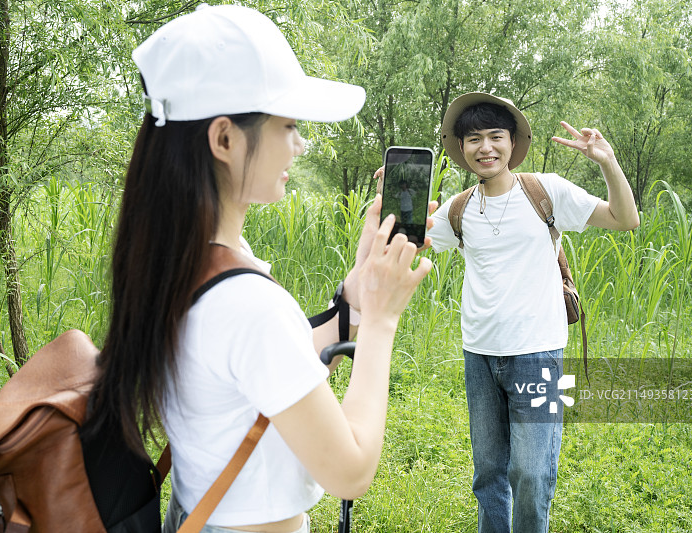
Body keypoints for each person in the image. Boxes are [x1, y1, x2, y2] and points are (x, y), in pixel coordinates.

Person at [82, 5, 434, 533]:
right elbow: (351, 469)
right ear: (224, 139)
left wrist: (354, 301)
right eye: (288, 125)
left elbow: (266, 372)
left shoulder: (186, 260)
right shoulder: (243, 301)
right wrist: (382, 321)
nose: (301, 143)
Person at [377, 92, 639, 532]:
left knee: (531, 474)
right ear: (461, 148)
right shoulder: (458, 209)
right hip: (479, 355)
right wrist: (389, 200)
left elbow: (623, 218)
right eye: (474, 138)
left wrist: (607, 162)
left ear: (512, 142)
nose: (486, 148)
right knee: (489, 474)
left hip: (537, 354)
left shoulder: (546, 191)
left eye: (496, 136)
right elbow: (397, 246)